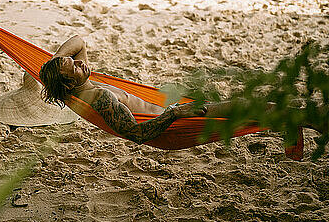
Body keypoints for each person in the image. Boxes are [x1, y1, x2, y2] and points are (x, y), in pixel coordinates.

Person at [39, 35, 291, 146]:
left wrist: (56, 61)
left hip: (172, 115)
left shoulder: (80, 87)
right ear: (69, 83)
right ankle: (310, 120)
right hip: (172, 125)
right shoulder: (100, 97)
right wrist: (174, 113)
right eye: (72, 65)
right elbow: (137, 134)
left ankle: (300, 120)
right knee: (249, 107)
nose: (80, 61)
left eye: (74, 60)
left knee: (251, 110)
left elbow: (79, 41)